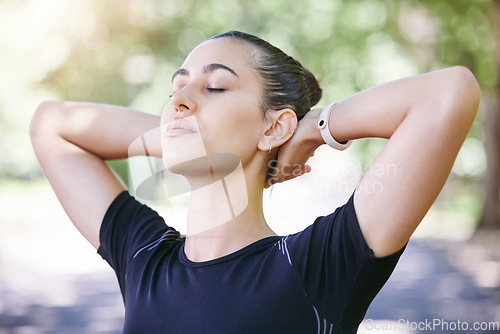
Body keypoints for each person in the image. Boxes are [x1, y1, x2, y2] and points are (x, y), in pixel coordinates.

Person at [30, 31, 480, 333]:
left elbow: (448, 94)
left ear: (274, 127)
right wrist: (179, 137)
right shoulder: (144, 257)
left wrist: (316, 127)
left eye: (216, 88)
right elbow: (51, 124)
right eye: (176, 89)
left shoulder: (316, 267)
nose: (180, 101)